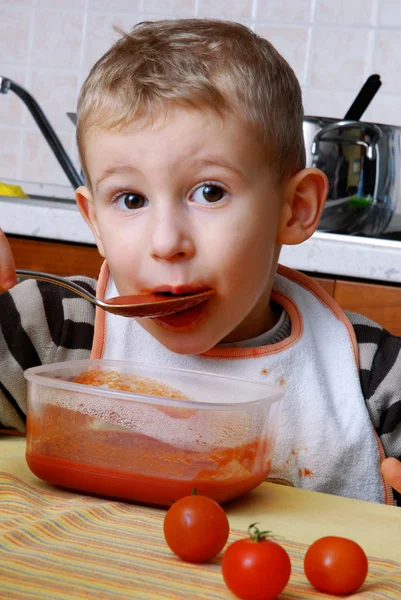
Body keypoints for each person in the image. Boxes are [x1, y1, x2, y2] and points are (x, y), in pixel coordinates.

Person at [0, 19, 400, 505]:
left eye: (210, 192)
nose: (167, 242)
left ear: (294, 209)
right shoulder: (56, 327)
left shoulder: (371, 372)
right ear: (95, 222)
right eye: (130, 199)